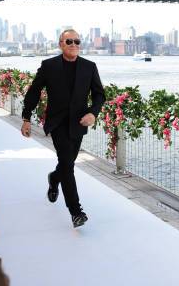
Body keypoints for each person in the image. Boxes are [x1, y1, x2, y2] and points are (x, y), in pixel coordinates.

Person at [21, 29, 105, 227]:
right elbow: (34, 92)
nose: (74, 44)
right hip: (57, 123)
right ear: (61, 44)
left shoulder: (89, 67)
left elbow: (99, 95)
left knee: (67, 164)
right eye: (69, 41)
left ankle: (54, 178)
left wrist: (93, 113)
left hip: (79, 123)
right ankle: (76, 212)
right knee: (67, 164)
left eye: (77, 41)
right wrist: (26, 118)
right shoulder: (48, 66)